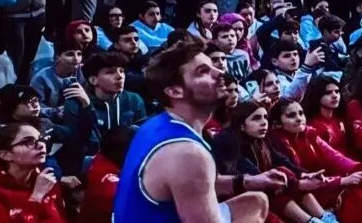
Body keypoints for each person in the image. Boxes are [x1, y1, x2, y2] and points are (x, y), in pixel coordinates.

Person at [119, 34, 285, 223]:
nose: (219, 72)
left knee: (255, 201)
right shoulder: (188, 153)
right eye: (203, 71)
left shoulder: (157, 124)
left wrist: (247, 181)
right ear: (174, 91)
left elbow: (193, 184)